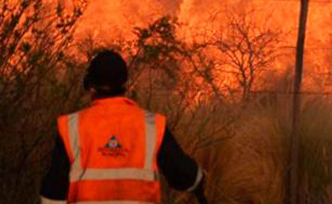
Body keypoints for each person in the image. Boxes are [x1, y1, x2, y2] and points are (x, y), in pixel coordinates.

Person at [40, 50, 207, 204]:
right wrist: (199, 182)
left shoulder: (71, 127)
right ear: (124, 84)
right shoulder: (151, 125)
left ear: (90, 86)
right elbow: (185, 176)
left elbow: (53, 193)